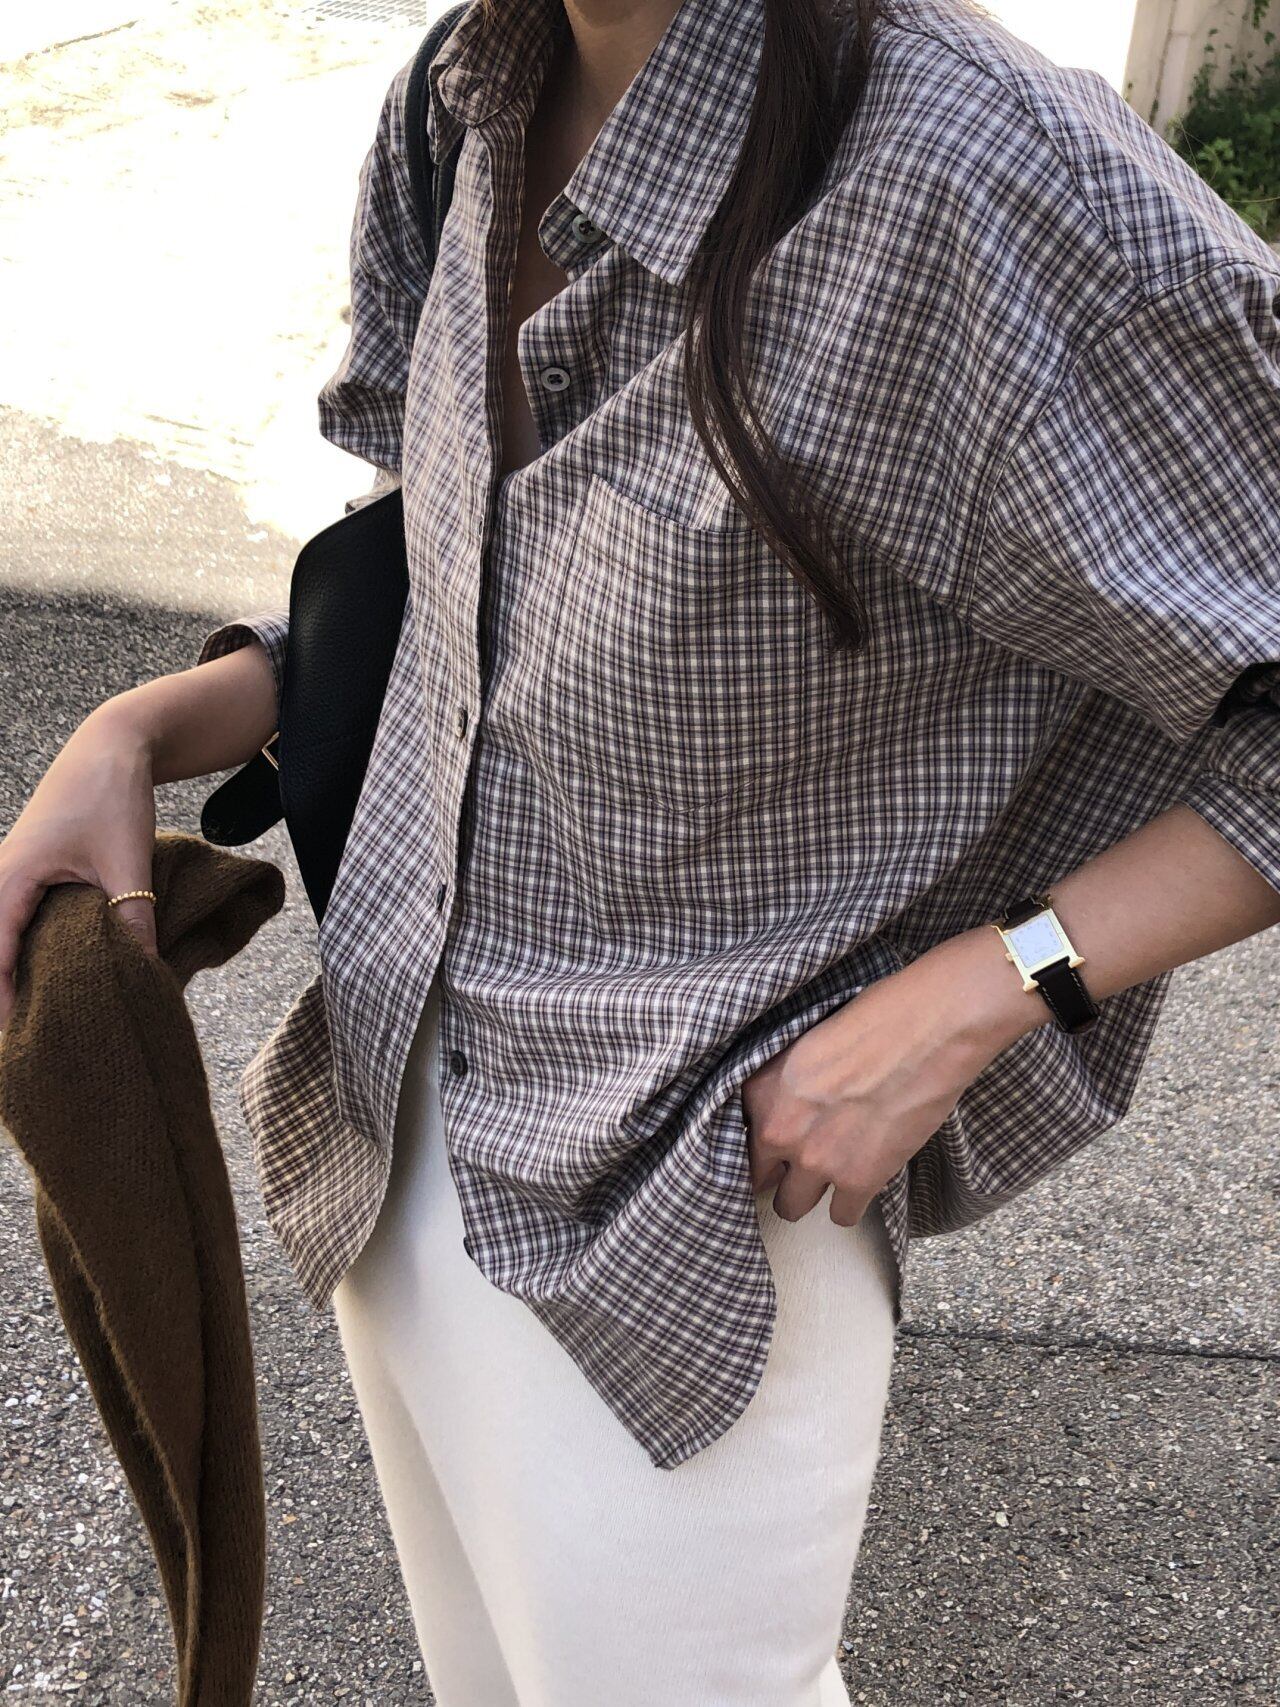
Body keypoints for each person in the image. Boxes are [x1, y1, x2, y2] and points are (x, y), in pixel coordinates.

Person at [2, 0, 1278, 1701]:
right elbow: (461, 568)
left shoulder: (974, 173)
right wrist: (150, 724)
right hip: (398, 1114)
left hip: (697, 1190)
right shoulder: (468, 90)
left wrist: (995, 984)